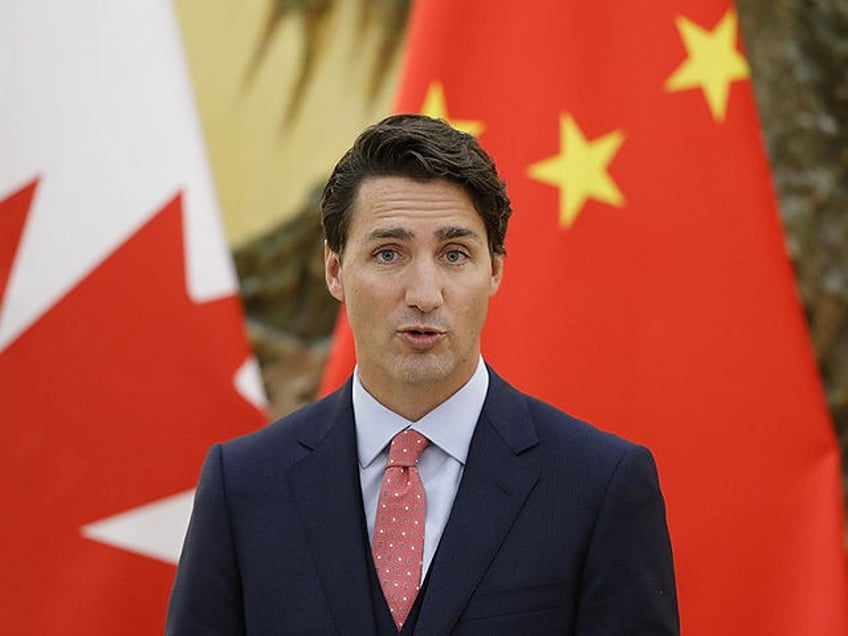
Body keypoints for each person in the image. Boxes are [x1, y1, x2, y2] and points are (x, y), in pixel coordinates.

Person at [166, 114, 679, 635]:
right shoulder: (244, 486)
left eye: (455, 255)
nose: (425, 294)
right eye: (389, 254)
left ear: (495, 269)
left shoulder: (600, 485)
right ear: (335, 269)